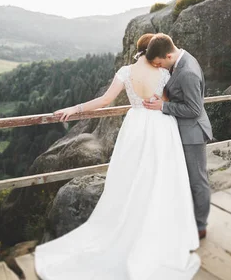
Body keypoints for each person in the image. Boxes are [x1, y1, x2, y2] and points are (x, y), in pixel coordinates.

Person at [34, 33, 200, 280]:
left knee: (130, 179)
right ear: (152, 54)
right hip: (160, 126)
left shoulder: (125, 71)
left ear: (138, 52)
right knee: (161, 179)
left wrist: (75, 108)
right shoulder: (165, 72)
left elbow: (105, 100)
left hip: (134, 126)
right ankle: (159, 233)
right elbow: (168, 101)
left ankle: (129, 227)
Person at [143, 33, 212, 240]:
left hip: (192, 133)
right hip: (183, 131)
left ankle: (200, 226)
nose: (159, 67)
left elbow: (194, 109)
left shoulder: (188, 72)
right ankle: (188, 220)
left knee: (197, 181)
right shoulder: (181, 61)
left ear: (168, 56)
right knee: (187, 179)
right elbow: (179, 94)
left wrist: (162, 106)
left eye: (159, 63)